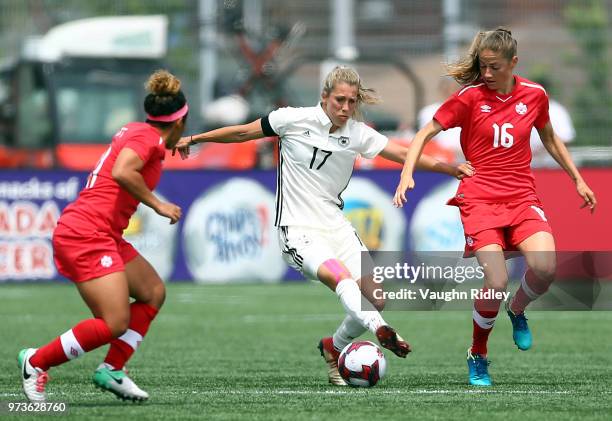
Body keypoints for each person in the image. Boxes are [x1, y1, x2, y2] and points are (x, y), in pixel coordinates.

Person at [175, 65, 474, 386]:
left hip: (337, 226)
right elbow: (243, 132)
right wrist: (195, 138)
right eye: (339, 100)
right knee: (342, 279)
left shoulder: (357, 133)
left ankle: (336, 347)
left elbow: (403, 154)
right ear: (324, 97)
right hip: (297, 229)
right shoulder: (290, 119)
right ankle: (382, 330)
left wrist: (451, 169)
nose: (345, 108)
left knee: (375, 296)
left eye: (351, 102)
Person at [393, 28, 597, 386]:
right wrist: (407, 173)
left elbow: (549, 138)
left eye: (494, 67)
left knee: (546, 268)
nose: (486, 74)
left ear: (513, 63)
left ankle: (517, 309)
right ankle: (478, 353)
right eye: (482, 67)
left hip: (521, 197)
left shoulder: (535, 95)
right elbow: (424, 133)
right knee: (497, 278)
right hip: (479, 199)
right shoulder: (469, 98)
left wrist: (577, 178)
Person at [18, 70, 187, 402]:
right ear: (180, 120)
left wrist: (175, 142)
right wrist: (157, 205)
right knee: (114, 323)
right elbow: (123, 170)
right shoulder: (148, 140)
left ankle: (112, 369)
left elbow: (146, 147)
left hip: (102, 233)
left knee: (153, 292)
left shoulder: (142, 133)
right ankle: (35, 362)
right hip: (86, 233)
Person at [528, 76, 575, 165]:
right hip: (531, 164)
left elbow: (566, 139)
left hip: (553, 163)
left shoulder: (558, 111)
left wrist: (543, 149)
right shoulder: (524, 110)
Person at [416, 76, 464, 159]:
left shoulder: (469, 110)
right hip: (440, 158)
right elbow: (425, 139)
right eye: (447, 87)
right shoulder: (429, 111)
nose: (450, 91)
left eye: (454, 87)